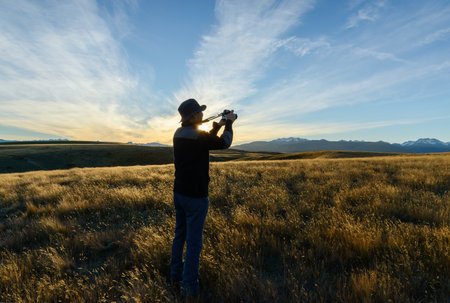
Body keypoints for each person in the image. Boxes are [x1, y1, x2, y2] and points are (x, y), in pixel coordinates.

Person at [170, 98, 237, 298]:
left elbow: (202, 141)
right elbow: (224, 143)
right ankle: (189, 289)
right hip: (196, 197)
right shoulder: (197, 137)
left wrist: (217, 125)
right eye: (199, 112)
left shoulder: (179, 133)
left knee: (179, 235)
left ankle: (175, 275)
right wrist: (230, 123)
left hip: (179, 193)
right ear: (193, 116)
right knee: (194, 244)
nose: (201, 114)